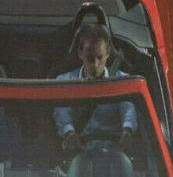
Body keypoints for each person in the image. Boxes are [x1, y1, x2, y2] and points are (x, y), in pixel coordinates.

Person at [53, 23, 138, 155]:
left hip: (114, 154)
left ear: (108, 53)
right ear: (80, 53)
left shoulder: (123, 81)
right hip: (78, 154)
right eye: (90, 59)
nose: (95, 65)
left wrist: (127, 130)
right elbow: (62, 115)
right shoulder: (65, 82)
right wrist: (69, 133)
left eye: (100, 57)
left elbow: (128, 111)